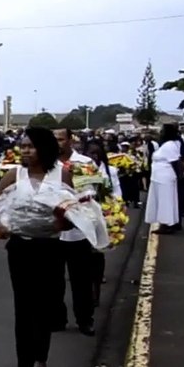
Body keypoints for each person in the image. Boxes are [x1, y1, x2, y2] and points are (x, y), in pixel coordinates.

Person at [0, 126, 74, 367]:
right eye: (22, 146)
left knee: (46, 304)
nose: (25, 151)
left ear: (44, 148)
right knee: (23, 306)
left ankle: (40, 359)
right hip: (21, 248)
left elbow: (75, 211)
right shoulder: (15, 174)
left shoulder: (62, 175)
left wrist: (63, 224)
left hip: (51, 248)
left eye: (30, 146)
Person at [53, 129, 98, 336]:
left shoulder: (85, 163)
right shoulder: (46, 164)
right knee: (54, 280)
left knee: (81, 279)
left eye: (61, 139)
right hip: (53, 231)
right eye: (54, 140)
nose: (57, 143)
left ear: (70, 141)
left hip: (78, 230)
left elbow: (95, 191)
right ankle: (58, 318)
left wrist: (74, 201)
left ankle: (84, 319)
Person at [85, 140, 123, 307]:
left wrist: (116, 211)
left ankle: (96, 290)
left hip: (102, 213)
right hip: (83, 214)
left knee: (97, 252)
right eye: (90, 153)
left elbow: (116, 192)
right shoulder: (80, 169)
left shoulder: (110, 171)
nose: (93, 157)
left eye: (96, 153)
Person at [147, 124, 184, 234]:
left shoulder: (170, 145)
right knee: (161, 201)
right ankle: (164, 224)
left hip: (165, 177)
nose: (160, 133)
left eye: (162, 131)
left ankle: (168, 225)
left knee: (166, 201)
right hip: (158, 177)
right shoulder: (164, 145)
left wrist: (179, 176)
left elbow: (175, 162)